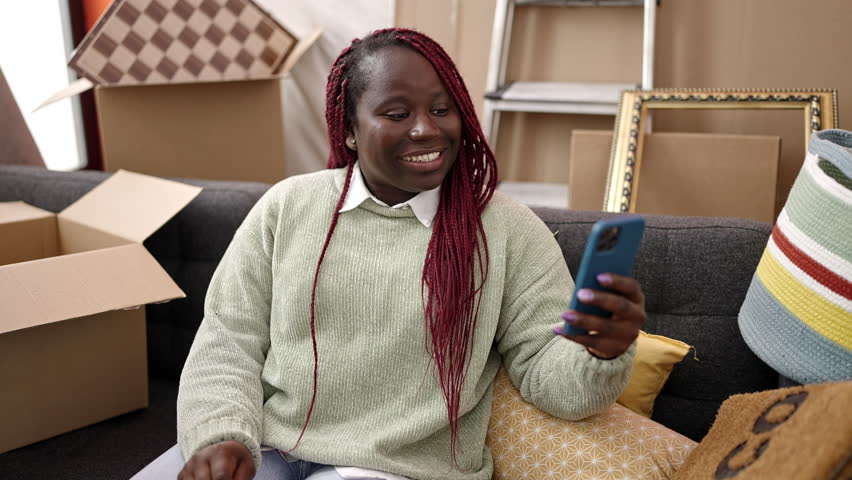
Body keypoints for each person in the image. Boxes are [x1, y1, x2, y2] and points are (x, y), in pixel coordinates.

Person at [133, 28, 646, 480]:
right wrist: (219, 436)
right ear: (350, 131)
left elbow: (549, 381)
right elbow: (229, 341)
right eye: (397, 113)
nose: (426, 129)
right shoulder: (289, 207)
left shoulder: (507, 230)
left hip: (397, 468)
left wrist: (600, 352)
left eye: (442, 110)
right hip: (265, 445)